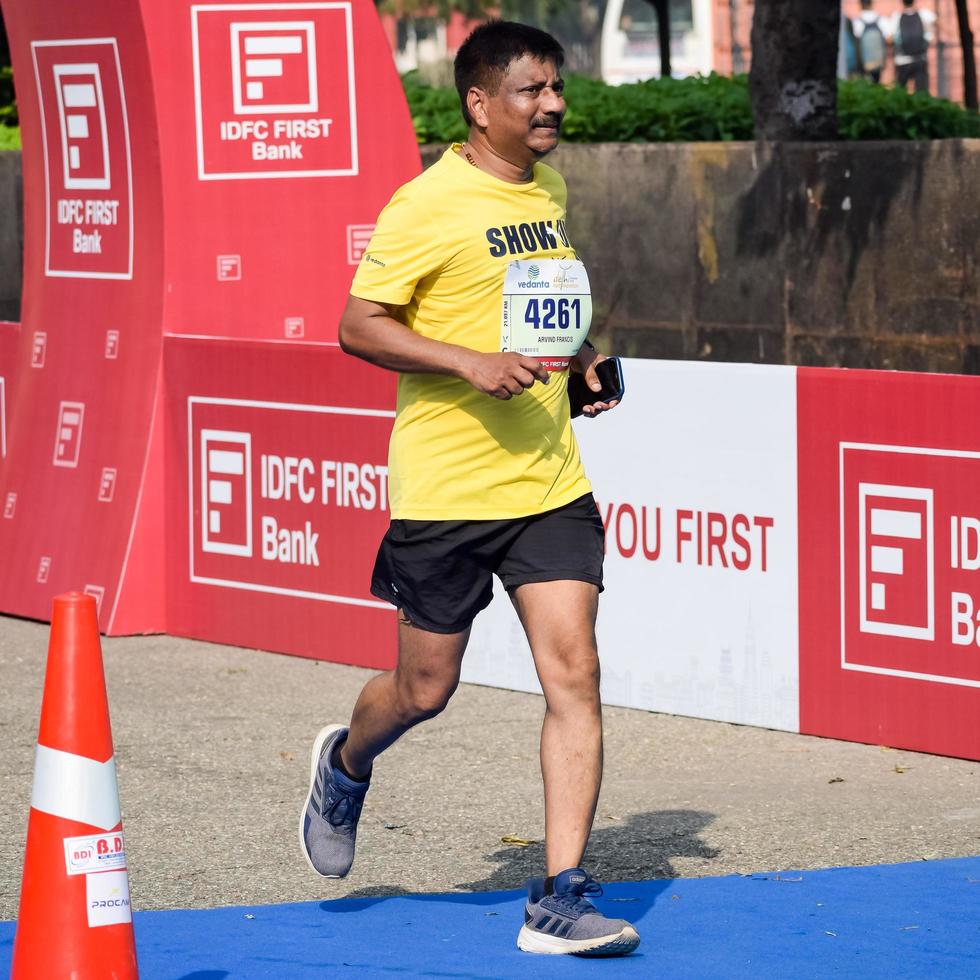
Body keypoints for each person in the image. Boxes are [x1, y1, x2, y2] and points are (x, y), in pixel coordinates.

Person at [298, 19, 639, 958]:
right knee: (424, 687)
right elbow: (357, 325)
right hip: (448, 488)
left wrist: (579, 368)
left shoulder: (552, 189)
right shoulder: (426, 203)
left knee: (575, 672)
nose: (553, 105)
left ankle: (560, 895)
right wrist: (466, 363)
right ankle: (345, 759)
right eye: (531, 91)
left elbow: (541, 308)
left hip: (547, 478)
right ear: (479, 104)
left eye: (557, 87)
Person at [889, 0, 936, 93]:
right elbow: (935, 23)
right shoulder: (924, 14)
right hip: (920, 59)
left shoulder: (896, 17)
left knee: (900, 93)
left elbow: (889, 38)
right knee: (922, 93)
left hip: (901, 60)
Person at [852, 0, 887, 83]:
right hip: (879, 59)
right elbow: (888, 36)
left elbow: (856, 40)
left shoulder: (857, 21)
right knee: (876, 82)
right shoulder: (880, 18)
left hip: (865, 61)